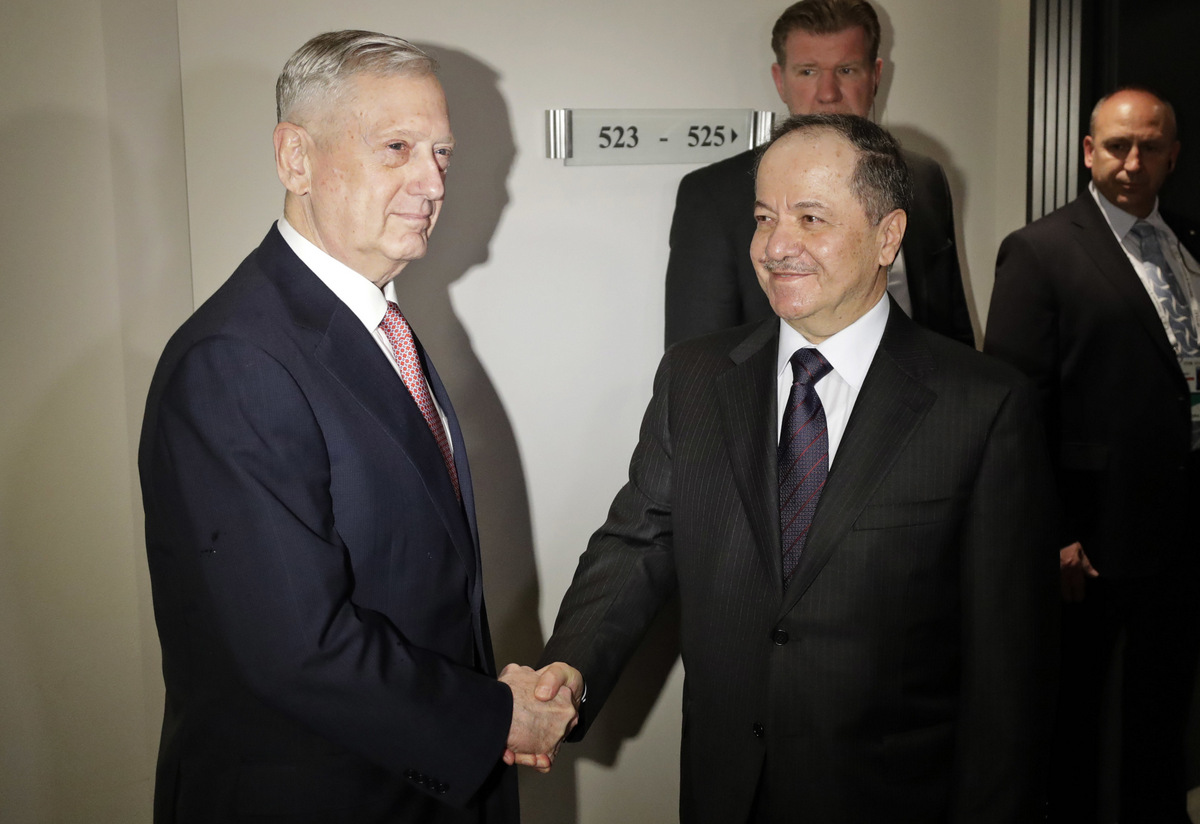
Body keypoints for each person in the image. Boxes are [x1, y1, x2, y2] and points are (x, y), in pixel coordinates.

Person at [535, 114, 1057, 823]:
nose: (776, 246)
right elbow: (638, 543)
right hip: (726, 790)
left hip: (895, 796)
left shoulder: (984, 406)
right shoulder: (695, 377)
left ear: (888, 236)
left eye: (811, 218)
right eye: (764, 218)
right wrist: (565, 673)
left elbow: (1009, 676)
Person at [139, 30, 579, 824]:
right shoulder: (234, 359)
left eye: (441, 153)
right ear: (295, 160)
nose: (431, 181)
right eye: (397, 147)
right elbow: (295, 647)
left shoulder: (378, 323)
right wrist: (494, 715)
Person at [985, 87, 1200, 824]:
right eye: (1116, 146)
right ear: (1087, 151)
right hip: (1094, 539)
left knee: (1163, 716)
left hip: (1180, 530)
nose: (1132, 162)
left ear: (1173, 154)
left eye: (1149, 146)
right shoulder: (1041, 251)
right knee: (1092, 735)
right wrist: (1052, 532)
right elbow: (1014, 410)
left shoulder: (1189, 247)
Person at [664, 0, 974, 349]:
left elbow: (954, 331)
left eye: (846, 70)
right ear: (780, 80)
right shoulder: (712, 196)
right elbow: (697, 363)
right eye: (808, 72)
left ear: (875, 76)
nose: (828, 94)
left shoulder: (925, 178)